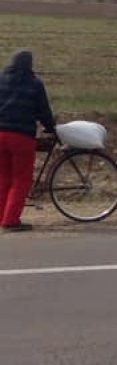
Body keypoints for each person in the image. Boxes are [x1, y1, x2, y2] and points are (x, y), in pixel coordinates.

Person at [0, 50, 56, 233]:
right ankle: (10, 221)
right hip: (21, 137)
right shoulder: (34, 84)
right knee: (21, 179)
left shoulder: (1, 80)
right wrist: (51, 128)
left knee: (3, 178)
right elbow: (43, 111)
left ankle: (2, 215)